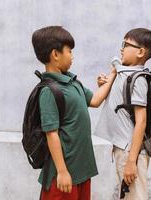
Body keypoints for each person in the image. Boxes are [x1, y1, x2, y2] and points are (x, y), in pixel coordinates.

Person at [31, 25, 116, 200]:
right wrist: (62, 171)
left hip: (82, 171)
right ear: (55, 54)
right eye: (69, 51)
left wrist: (113, 75)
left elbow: (95, 100)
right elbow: (51, 133)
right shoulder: (49, 90)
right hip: (62, 175)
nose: (72, 55)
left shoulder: (72, 83)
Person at [95, 28, 151, 200]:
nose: (121, 49)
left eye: (126, 44)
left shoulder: (138, 80)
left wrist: (132, 161)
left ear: (140, 52)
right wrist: (105, 82)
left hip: (131, 152)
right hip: (124, 150)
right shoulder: (126, 74)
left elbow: (141, 122)